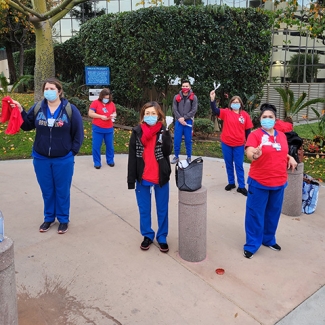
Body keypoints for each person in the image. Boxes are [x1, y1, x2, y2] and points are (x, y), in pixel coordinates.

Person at [12, 77, 84, 234]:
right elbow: (27, 125)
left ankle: (63, 220)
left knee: (62, 190)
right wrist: (20, 111)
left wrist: (72, 152)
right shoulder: (38, 107)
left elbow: (78, 133)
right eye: (46, 89)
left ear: (59, 91)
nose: (49, 92)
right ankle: (49, 218)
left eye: (52, 89)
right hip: (41, 158)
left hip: (63, 158)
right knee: (47, 190)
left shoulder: (70, 110)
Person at [243, 103, 297, 259]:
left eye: (270, 117)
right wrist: (255, 154)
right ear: (260, 119)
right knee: (255, 214)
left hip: (279, 182)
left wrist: (290, 157)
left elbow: (280, 151)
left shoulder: (281, 135)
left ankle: (268, 239)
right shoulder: (255, 135)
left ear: (275, 119)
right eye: (264, 117)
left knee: (273, 214)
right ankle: (252, 244)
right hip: (259, 182)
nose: (267, 119)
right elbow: (249, 152)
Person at [127, 101, 172, 253]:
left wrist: (166, 135)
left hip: (160, 176)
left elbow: (167, 152)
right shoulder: (137, 132)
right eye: (147, 113)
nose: (150, 116)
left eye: (153, 113)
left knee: (162, 209)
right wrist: (131, 180)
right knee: (144, 209)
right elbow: (132, 157)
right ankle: (147, 234)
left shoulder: (163, 131)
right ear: (143, 116)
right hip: (143, 177)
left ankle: (162, 236)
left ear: (159, 116)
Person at [210, 91, 253, 196]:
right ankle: (231, 182)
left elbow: (248, 131)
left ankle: (241, 186)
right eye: (233, 102)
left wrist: (248, 145)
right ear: (230, 104)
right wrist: (212, 99)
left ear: (241, 104)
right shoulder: (226, 112)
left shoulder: (245, 115)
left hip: (239, 144)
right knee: (228, 164)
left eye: (237, 102)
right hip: (226, 143)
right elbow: (215, 110)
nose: (235, 103)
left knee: (239, 165)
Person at [88, 88, 117, 169]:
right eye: (105, 98)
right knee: (96, 146)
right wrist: (100, 116)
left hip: (109, 128)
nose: (106, 100)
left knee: (110, 146)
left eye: (108, 98)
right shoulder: (95, 103)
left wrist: (114, 115)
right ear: (101, 96)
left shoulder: (112, 104)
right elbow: (90, 113)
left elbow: (114, 112)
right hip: (98, 128)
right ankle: (97, 162)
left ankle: (110, 160)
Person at [171, 80, 198, 164]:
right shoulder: (177, 97)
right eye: (183, 86)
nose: (185, 88)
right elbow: (174, 108)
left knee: (188, 140)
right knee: (177, 140)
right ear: (181, 87)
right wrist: (179, 118)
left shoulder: (193, 97)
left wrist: (185, 118)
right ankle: (176, 156)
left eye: (187, 86)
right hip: (178, 122)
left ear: (190, 87)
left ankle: (189, 157)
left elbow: (194, 110)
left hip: (188, 122)